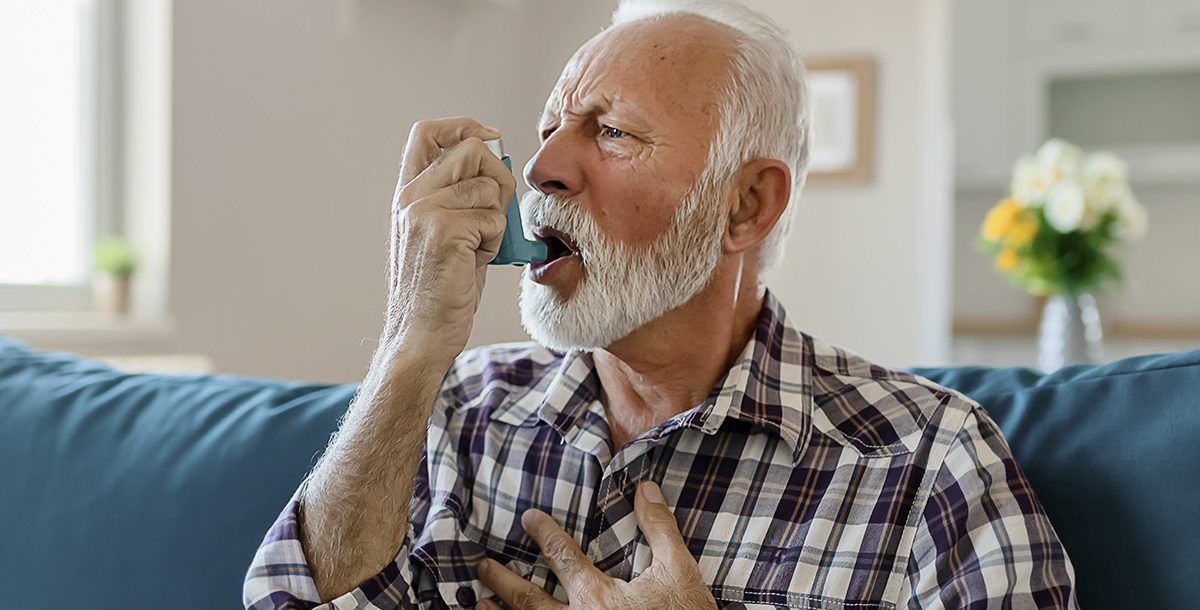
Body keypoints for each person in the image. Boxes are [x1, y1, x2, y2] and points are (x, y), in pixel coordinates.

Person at [244, 1, 1078, 608]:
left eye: (612, 132)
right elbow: (289, 600)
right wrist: (406, 347)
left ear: (746, 205)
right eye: (550, 128)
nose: (541, 171)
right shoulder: (454, 409)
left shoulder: (932, 465)